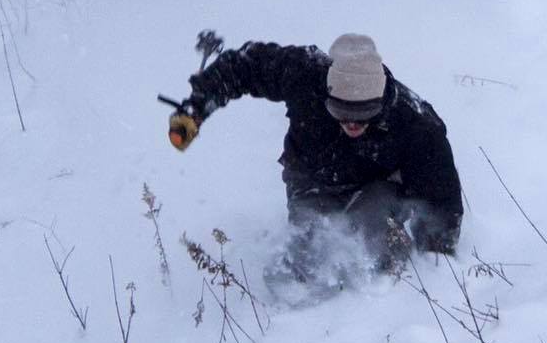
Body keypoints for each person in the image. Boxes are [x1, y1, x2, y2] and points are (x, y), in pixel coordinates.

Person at [167, 34, 463, 279]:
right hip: (311, 181)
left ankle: (376, 311)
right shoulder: (305, 75)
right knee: (305, 265)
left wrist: (436, 262)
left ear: (380, 101)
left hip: (375, 186)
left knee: (379, 250)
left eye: (363, 114)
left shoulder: (414, 122)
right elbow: (247, 65)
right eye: (341, 112)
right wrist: (197, 106)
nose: (352, 123)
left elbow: (440, 200)